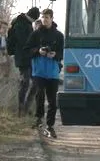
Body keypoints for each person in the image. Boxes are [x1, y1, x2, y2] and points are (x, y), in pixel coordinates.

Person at [26, 8, 64, 137]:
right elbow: (27, 50)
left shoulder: (59, 35)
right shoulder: (35, 34)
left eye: (47, 17)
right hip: (38, 71)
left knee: (53, 100)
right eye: (43, 17)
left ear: (52, 18)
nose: (45, 20)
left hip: (53, 72)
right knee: (39, 95)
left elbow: (62, 53)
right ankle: (39, 118)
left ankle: (50, 125)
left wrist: (54, 55)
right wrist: (38, 51)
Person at [6, 7, 39, 116]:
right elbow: (24, 42)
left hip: (26, 58)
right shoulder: (21, 24)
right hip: (23, 58)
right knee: (25, 82)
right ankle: (22, 108)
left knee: (33, 83)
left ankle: (25, 107)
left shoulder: (22, 22)